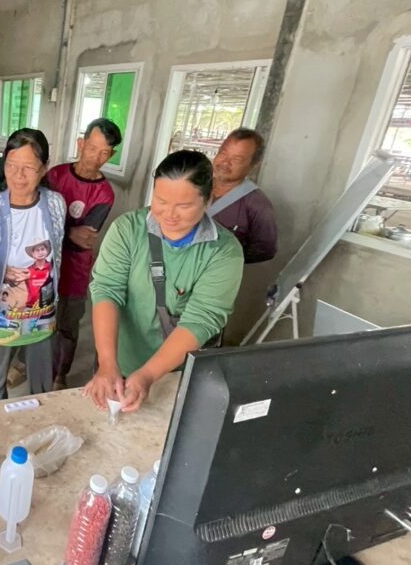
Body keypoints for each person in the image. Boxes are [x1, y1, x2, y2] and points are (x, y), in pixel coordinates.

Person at [86, 151, 244, 413]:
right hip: (117, 359)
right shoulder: (127, 229)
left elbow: (201, 319)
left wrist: (148, 375)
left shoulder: (223, 252)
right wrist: (107, 363)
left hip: (177, 373)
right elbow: (106, 290)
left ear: (208, 200)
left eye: (184, 206)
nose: (169, 214)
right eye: (160, 201)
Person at [0, 129, 66, 401]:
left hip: (42, 311)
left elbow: (56, 253)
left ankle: (40, 421)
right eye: (12, 166)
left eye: (28, 168)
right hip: (1, 313)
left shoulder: (55, 203)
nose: (18, 176)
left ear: (44, 168)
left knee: (42, 382)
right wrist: (3, 272)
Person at [45, 118, 122, 390]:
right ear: (81, 143)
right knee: (36, 317)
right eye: (92, 148)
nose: (96, 157)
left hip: (75, 270)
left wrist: (58, 230)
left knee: (68, 325)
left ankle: (60, 374)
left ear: (111, 155)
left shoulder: (105, 193)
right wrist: (69, 232)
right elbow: (40, 221)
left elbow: (84, 240)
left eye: (104, 153)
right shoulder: (55, 176)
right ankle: (25, 363)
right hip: (43, 264)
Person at [208, 129, 278, 264]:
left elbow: (266, 250)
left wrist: (223, 258)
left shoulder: (258, 206)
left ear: (253, 165)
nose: (225, 162)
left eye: (237, 159)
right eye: (223, 153)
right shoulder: (194, 186)